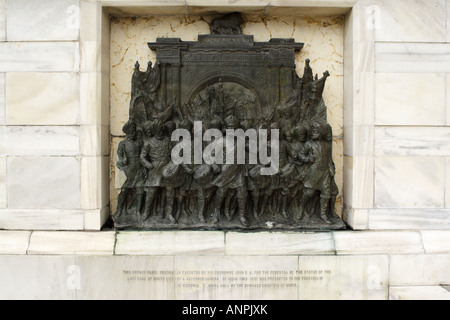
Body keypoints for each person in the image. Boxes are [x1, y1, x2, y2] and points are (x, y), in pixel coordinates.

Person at [211, 115, 249, 227]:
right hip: (226, 170)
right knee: (221, 192)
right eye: (229, 127)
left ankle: (242, 215)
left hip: (238, 170)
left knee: (242, 192)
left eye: (234, 128)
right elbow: (211, 155)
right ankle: (216, 213)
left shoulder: (240, 141)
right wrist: (214, 165)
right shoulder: (221, 141)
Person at [140, 119, 175, 223]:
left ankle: (169, 213)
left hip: (167, 168)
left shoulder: (168, 140)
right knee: (151, 192)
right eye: (157, 131)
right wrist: (147, 164)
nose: (160, 132)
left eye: (161, 130)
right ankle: (146, 212)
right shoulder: (148, 143)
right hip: (154, 169)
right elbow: (142, 156)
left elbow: (173, 154)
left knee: (169, 192)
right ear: (154, 131)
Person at [114, 120, 146, 219]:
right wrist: (122, 160)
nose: (133, 133)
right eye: (131, 132)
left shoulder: (139, 142)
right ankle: (119, 211)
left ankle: (138, 211)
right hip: (128, 170)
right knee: (124, 191)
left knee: (140, 190)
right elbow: (119, 157)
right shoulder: (122, 144)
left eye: (134, 131)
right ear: (127, 133)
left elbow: (143, 155)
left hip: (138, 169)